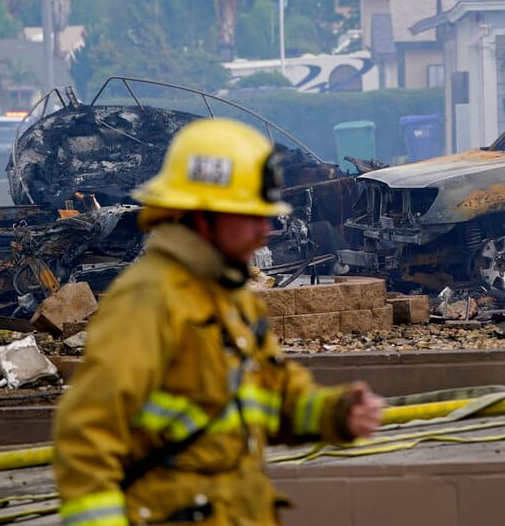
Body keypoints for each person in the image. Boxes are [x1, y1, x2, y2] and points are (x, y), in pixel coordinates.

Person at [53, 118, 384, 526]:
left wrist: (336, 412)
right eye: (250, 216)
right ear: (202, 216)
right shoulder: (149, 301)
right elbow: (86, 438)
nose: (264, 231)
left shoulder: (231, 299)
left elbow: (272, 397)